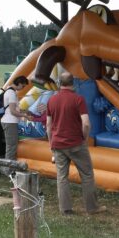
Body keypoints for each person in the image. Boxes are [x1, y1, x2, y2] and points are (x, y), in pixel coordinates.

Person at [46, 72, 105, 215]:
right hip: (76, 143)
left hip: (58, 144)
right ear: (73, 83)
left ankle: (65, 209)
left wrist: (51, 144)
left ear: (59, 83)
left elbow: (48, 125)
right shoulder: (78, 99)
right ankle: (92, 208)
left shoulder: (52, 100)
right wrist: (84, 139)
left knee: (62, 177)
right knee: (87, 175)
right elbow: (86, 123)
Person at [1, 76, 29, 161]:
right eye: (23, 86)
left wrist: (23, 112)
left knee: (11, 145)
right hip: (10, 121)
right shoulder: (11, 93)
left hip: (9, 121)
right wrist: (25, 115)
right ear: (19, 83)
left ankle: (10, 167)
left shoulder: (10, 91)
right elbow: (13, 111)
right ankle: (9, 169)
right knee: (11, 146)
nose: (23, 88)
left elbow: (13, 109)